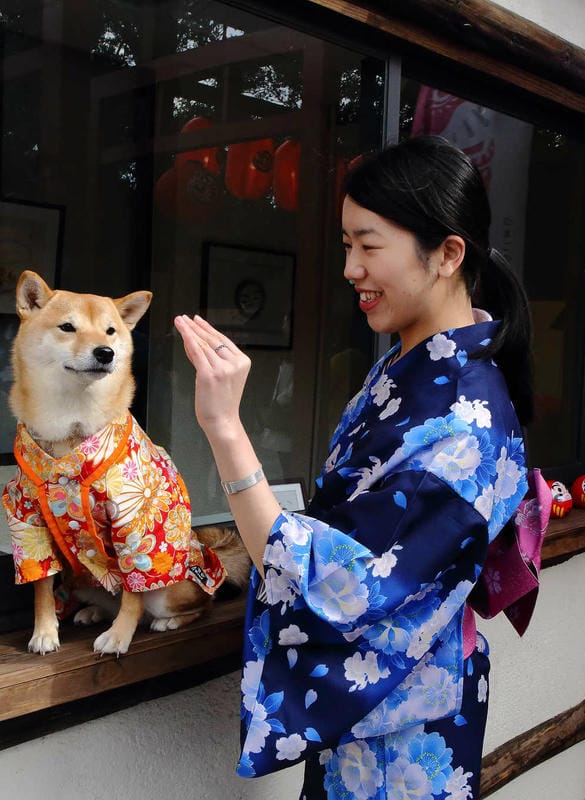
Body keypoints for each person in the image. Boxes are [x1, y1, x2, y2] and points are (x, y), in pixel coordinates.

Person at [174, 135, 544, 800]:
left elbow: (341, 580)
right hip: (388, 705)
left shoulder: (461, 423)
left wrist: (226, 430)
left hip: (403, 731)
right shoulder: (409, 365)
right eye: (347, 245)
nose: (350, 267)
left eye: (369, 246)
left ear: (448, 255)